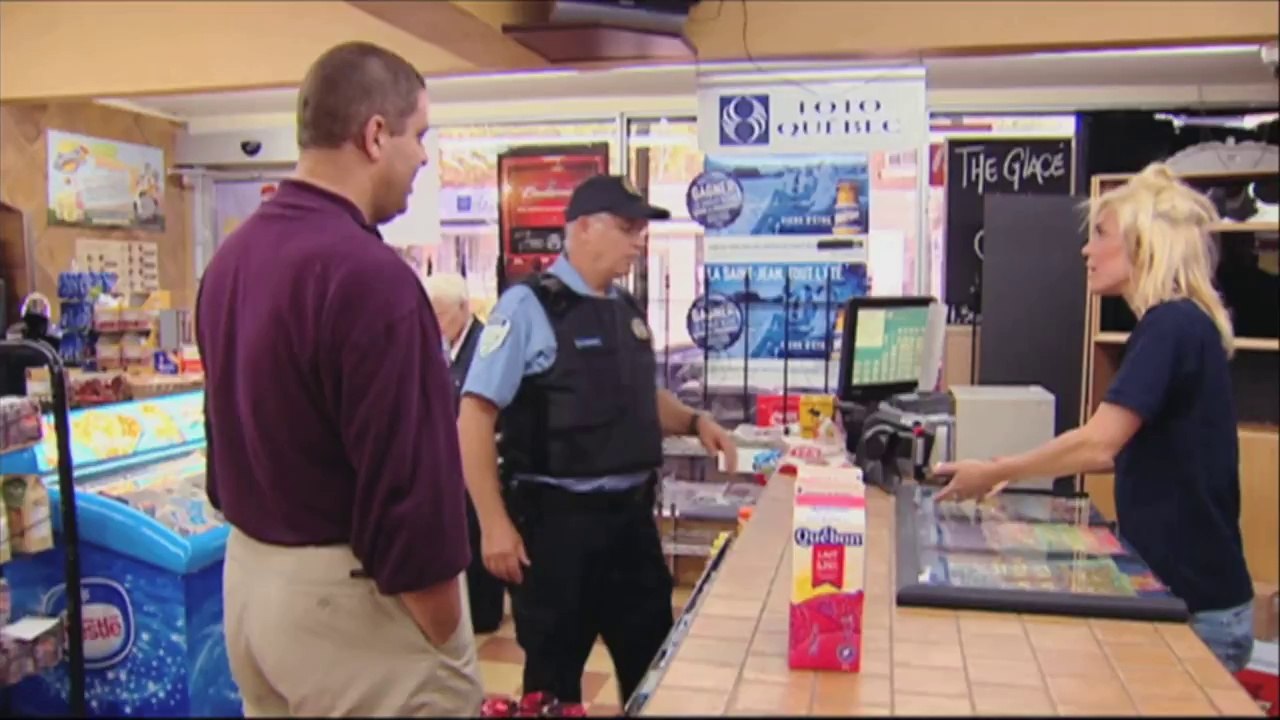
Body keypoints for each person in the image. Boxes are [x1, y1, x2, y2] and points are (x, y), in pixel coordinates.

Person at [196, 42, 483, 716]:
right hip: (348, 606)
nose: (422, 161)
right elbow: (408, 487)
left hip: (249, 585)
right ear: (375, 134)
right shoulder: (371, 279)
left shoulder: (231, 260)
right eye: (419, 136)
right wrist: (443, 628)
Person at [934, 162, 1255, 673]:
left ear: (1143, 245)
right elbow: (1138, 450)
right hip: (1203, 599)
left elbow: (1099, 445)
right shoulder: (1181, 323)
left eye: (1100, 235)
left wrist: (997, 470)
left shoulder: (1169, 326)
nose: (1086, 249)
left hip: (1199, 614)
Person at [457, 175, 740, 707]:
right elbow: (473, 415)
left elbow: (642, 397)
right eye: (628, 227)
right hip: (556, 531)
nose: (639, 241)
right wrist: (493, 524)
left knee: (656, 672)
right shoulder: (527, 308)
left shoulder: (627, 310)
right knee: (554, 683)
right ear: (583, 228)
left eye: (642, 229)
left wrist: (697, 422)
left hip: (630, 527)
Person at [422, 272, 505, 634]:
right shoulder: (447, 348)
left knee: (478, 529)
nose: (436, 323)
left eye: (440, 314)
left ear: (463, 308)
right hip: (454, 460)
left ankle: (486, 614)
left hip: (484, 457)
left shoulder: (483, 346)